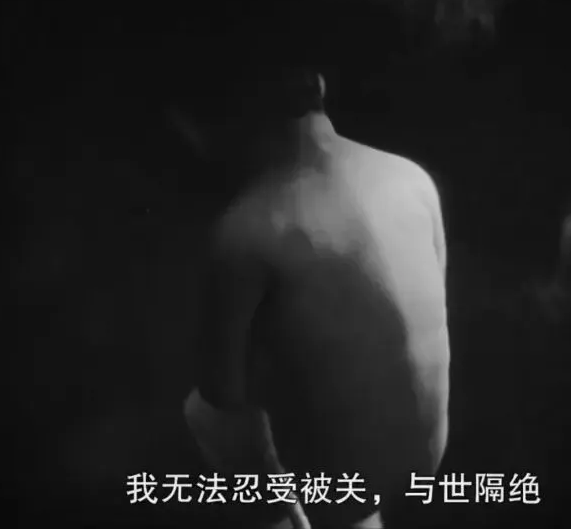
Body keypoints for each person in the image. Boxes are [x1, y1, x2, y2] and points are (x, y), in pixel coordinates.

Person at [182, 69, 450, 529]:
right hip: (424, 461)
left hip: (336, 493)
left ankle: (288, 521)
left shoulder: (246, 228)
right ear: (319, 86)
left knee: (202, 412)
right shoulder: (413, 179)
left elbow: (221, 395)